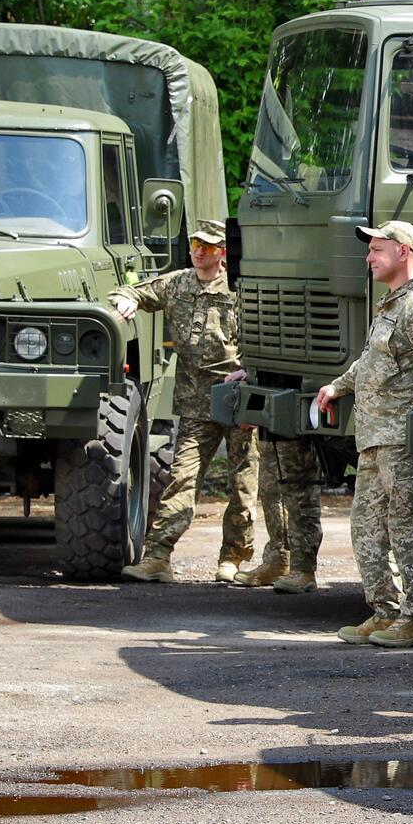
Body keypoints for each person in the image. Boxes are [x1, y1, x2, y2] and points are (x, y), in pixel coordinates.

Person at [314, 220, 413, 647]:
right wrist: (338, 385)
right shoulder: (390, 305)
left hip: (406, 442)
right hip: (373, 439)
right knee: (366, 525)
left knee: (410, 528)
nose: (368, 258)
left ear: (404, 252)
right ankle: (385, 610)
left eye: (376, 250)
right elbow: (373, 362)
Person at [114, 220, 258, 583]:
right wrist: (125, 300)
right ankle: (159, 556)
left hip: (239, 398)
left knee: (243, 484)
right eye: (196, 243)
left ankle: (233, 558)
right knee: (182, 477)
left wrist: (252, 374)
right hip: (196, 401)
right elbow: (134, 292)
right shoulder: (178, 283)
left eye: (208, 246)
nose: (198, 251)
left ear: (221, 252)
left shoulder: (240, 287)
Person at [216, 373, 323, 595]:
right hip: (270, 396)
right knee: (271, 488)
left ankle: (303, 569)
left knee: (298, 489)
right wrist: (250, 374)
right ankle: (279, 559)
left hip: (298, 398)